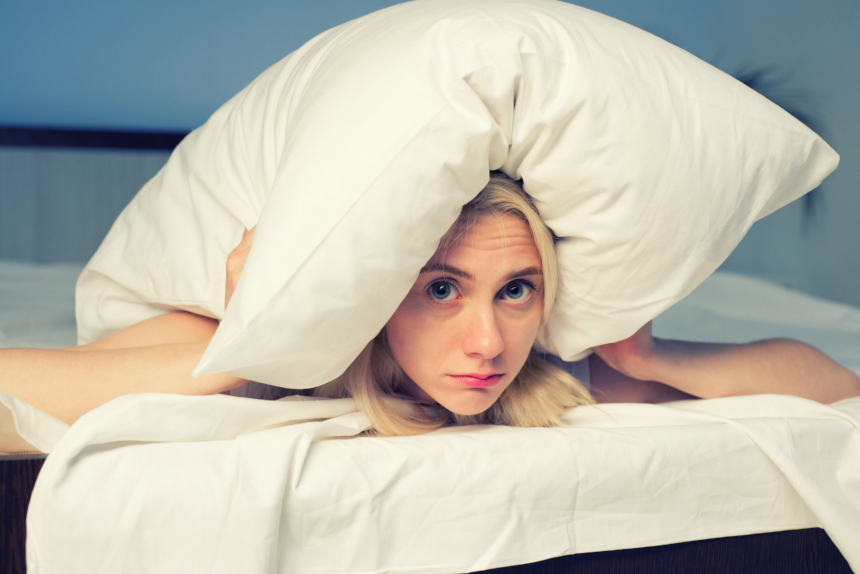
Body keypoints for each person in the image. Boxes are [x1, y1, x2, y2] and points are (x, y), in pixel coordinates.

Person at [2, 173, 859, 433]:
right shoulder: (233, 351)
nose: (487, 340)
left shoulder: (545, 378)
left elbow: (838, 390)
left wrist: (649, 359)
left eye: (515, 290)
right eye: (440, 290)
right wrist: (256, 341)